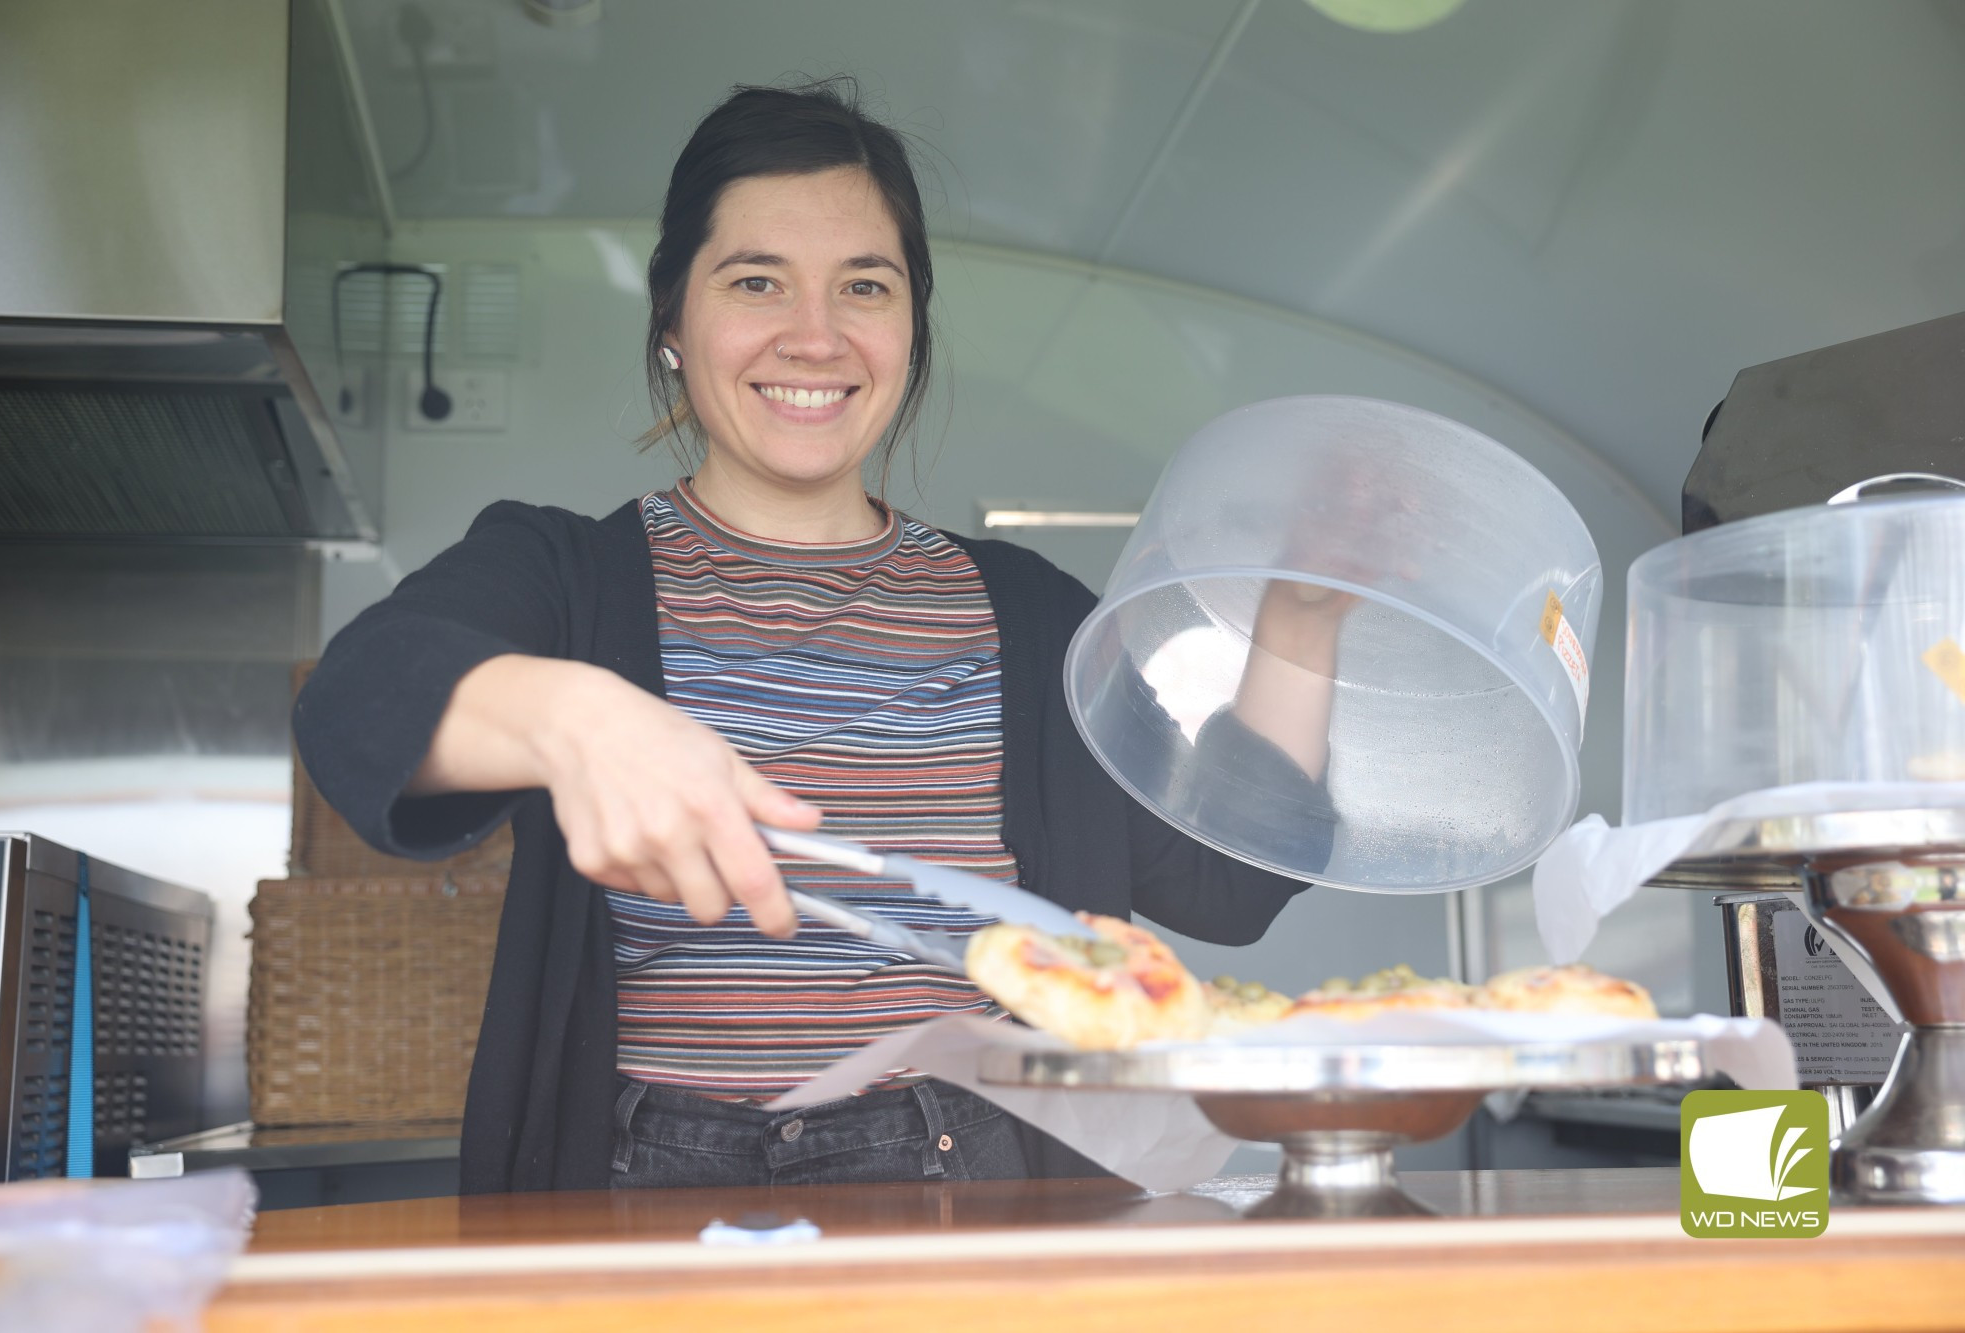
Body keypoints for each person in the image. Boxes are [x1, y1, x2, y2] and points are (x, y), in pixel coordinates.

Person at [294, 79, 1339, 1194]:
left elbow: (1224, 877)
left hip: (971, 1186)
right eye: (755, 281)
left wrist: (1302, 618)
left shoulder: (1029, 613)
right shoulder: (565, 578)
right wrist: (570, 718)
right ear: (671, 322)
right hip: (639, 1184)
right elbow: (358, 703)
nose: (814, 334)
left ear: (909, 327)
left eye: (864, 286)